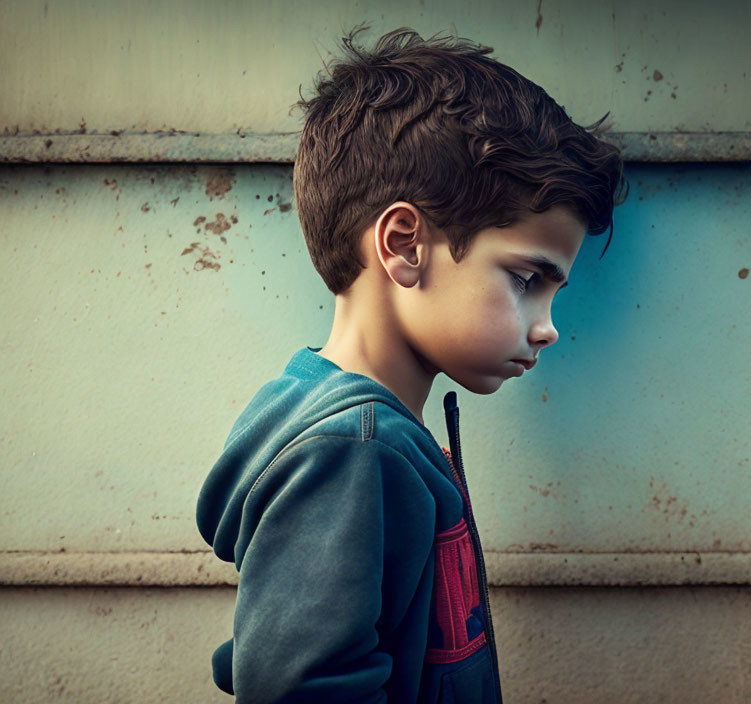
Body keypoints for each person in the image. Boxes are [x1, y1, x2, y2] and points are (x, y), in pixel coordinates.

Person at [196, 25, 625, 703]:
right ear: (404, 246)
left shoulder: (348, 425)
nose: (547, 329)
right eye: (525, 280)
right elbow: (302, 686)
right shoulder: (351, 452)